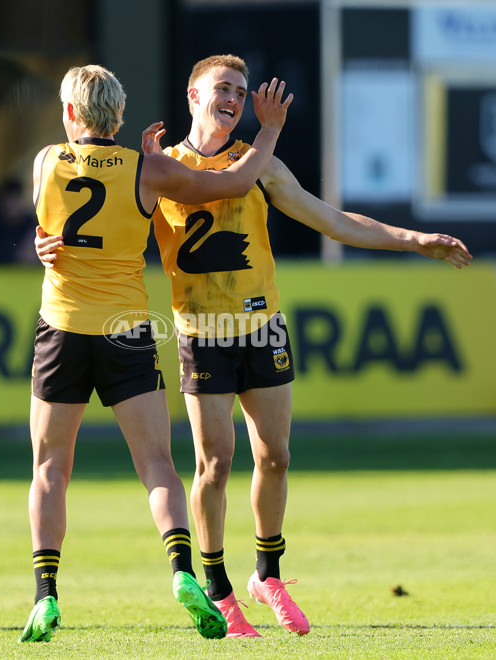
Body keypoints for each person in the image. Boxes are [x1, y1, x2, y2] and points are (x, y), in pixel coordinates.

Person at [36, 55, 472, 639]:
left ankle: (267, 573)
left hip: (262, 326)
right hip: (198, 330)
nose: (235, 99)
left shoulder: (257, 165)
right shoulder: (158, 166)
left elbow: (333, 221)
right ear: (193, 95)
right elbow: (97, 220)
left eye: (241, 91)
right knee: (213, 462)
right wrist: (48, 242)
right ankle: (215, 586)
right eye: (224, 88)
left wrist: (415, 240)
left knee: (276, 456)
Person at [19, 63, 292, 643]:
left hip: (61, 328)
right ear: (119, 114)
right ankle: (182, 571)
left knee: (49, 469)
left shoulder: (45, 161)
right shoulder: (149, 171)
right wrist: (267, 131)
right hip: (125, 330)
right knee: (159, 466)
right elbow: (233, 183)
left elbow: (48, 230)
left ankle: (46, 595)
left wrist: (44, 245)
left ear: (70, 113)